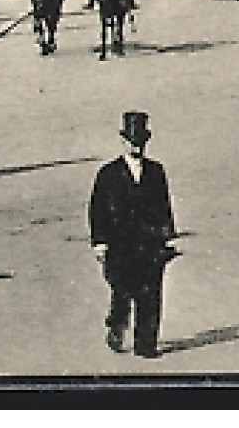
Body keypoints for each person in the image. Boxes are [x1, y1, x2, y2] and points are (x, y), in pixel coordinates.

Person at [88, 111, 180, 359]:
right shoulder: (108, 174)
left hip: (149, 243)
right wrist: (99, 243)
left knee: (150, 293)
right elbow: (97, 210)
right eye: (131, 141)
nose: (136, 146)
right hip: (119, 245)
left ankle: (146, 344)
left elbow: (164, 205)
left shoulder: (156, 171)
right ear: (122, 141)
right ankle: (117, 326)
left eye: (140, 142)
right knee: (122, 290)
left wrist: (167, 236)